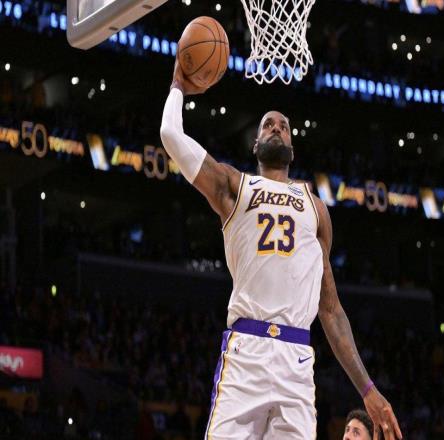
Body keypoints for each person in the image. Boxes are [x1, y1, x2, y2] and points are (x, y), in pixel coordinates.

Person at [160, 59, 403, 440]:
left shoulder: (316, 208)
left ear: (292, 147)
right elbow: (170, 135)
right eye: (268, 124)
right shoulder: (234, 186)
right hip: (247, 352)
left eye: (284, 126)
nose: (276, 127)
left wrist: (368, 388)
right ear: (256, 144)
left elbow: (331, 310)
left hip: (297, 359)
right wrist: (178, 84)